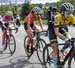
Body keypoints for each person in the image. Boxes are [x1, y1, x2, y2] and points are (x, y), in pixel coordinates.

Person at [48, 3, 75, 68]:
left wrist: (67, 39)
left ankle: (61, 52)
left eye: (71, 12)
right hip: (52, 29)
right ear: (62, 12)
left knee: (69, 40)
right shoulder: (57, 17)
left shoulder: (71, 17)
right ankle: (55, 65)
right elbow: (56, 33)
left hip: (61, 27)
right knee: (55, 47)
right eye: (67, 13)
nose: (69, 14)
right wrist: (65, 39)